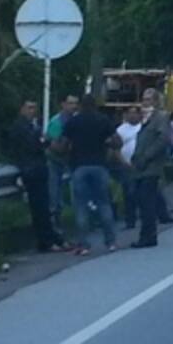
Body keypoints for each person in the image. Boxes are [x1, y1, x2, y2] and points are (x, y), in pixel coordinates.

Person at [57, 94, 121, 257]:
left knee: (81, 206)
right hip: (99, 166)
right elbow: (117, 141)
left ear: (80, 106)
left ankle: (84, 245)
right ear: (95, 105)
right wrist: (106, 144)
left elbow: (63, 145)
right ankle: (111, 242)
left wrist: (63, 152)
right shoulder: (103, 120)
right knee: (104, 203)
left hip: (79, 167)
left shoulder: (73, 122)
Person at [6, 100, 68, 253]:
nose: (32, 111)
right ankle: (46, 241)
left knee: (45, 206)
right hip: (30, 169)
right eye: (29, 108)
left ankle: (53, 238)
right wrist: (43, 141)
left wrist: (43, 141)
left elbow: (42, 143)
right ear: (22, 109)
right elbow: (33, 145)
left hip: (38, 167)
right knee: (39, 207)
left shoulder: (34, 125)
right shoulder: (20, 127)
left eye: (34, 107)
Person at [131, 88, 171, 248]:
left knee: (147, 201)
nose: (145, 102)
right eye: (144, 99)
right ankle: (147, 234)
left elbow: (162, 139)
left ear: (155, 101)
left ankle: (148, 236)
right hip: (140, 167)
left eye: (148, 99)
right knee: (141, 200)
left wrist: (147, 156)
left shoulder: (160, 117)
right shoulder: (144, 118)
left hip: (151, 167)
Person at [45, 94, 79, 235]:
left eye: (75, 103)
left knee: (76, 191)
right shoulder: (57, 122)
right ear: (63, 104)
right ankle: (55, 223)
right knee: (55, 193)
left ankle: (78, 222)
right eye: (70, 103)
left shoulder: (76, 120)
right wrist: (68, 146)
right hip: (55, 161)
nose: (73, 106)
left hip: (71, 161)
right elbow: (53, 145)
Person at [110, 105, 142, 230]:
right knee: (129, 193)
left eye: (135, 113)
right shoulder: (120, 130)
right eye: (130, 113)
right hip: (126, 166)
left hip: (142, 165)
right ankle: (130, 220)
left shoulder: (143, 128)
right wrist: (123, 162)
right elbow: (115, 149)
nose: (132, 115)